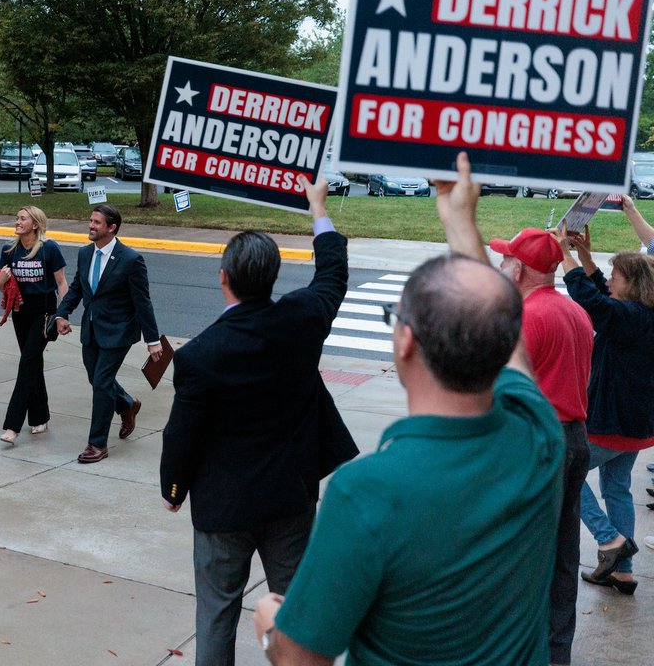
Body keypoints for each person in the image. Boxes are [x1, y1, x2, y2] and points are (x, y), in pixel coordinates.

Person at [254, 153, 563, 665]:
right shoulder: (540, 437)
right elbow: (509, 344)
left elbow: (300, 657)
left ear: (405, 341)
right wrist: (459, 218)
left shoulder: (366, 492)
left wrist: (270, 625)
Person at [160, 177, 358, 666]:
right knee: (295, 612)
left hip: (222, 508)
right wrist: (318, 209)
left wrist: (173, 489)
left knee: (216, 616)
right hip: (290, 498)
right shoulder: (301, 320)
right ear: (272, 277)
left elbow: (181, 434)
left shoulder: (200, 355)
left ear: (223, 276)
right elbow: (333, 273)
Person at [487, 227, 593, 664]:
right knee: (563, 557)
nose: (499, 264)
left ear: (520, 269)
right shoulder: (574, 312)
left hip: (536, 443)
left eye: (506, 258)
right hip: (574, 439)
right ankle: (555, 654)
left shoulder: (528, 319)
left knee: (517, 558)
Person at [557, 225, 654, 595]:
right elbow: (602, 295)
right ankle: (623, 571)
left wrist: (563, 254)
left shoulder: (629, 318)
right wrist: (584, 256)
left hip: (612, 422)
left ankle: (609, 539)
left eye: (615, 276)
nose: (609, 281)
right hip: (636, 425)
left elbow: (592, 301)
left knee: (562, 471)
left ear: (632, 285)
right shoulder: (641, 313)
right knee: (616, 488)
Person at [54, 204, 162, 463]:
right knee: (96, 378)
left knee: (102, 382)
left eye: (97, 223)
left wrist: (153, 340)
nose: (91, 226)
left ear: (111, 228)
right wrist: (62, 313)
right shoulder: (84, 254)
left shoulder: (131, 260)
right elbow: (78, 288)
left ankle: (97, 444)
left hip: (119, 330)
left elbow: (142, 302)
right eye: (90, 221)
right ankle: (127, 404)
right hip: (92, 328)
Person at [0, 206, 68, 443]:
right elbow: (1, 285)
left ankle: (12, 426)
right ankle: (40, 416)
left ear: (35, 224)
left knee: (27, 363)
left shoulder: (49, 249)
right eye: (16, 218)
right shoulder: (9, 250)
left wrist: (62, 315)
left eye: (22, 219)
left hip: (44, 312)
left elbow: (61, 283)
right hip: (21, 311)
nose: (17, 222)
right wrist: (1, 281)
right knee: (33, 362)